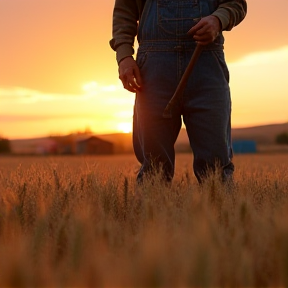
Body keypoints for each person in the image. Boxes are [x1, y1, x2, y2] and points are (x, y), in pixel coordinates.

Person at [110, 0, 247, 184]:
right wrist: (124, 56)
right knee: (154, 168)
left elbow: (236, 3)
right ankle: (151, 212)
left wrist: (218, 19)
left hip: (206, 64)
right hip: (153, 73)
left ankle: (220, 211)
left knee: (216, 169)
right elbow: (124, 11)